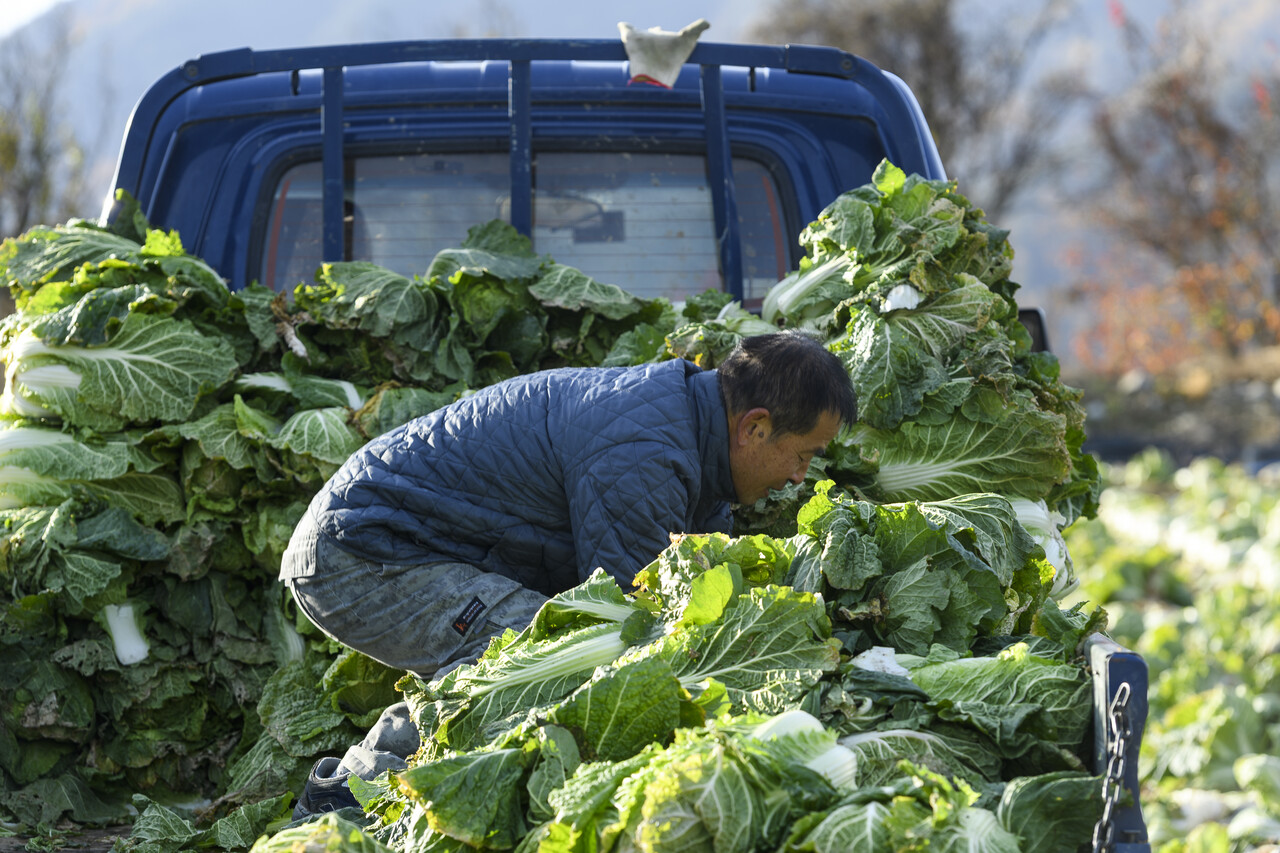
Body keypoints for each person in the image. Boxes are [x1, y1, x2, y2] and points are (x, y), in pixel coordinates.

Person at [278, 330, 856, 817]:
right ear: (754, 428)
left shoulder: (690, 436)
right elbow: (638, 621)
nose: (800, 477)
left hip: (400, 544)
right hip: (358, 554)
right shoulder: (646, 449)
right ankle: (349, 794)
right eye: (803, 455)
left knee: (556, 644)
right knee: (554, 649)